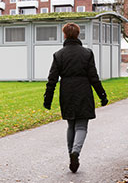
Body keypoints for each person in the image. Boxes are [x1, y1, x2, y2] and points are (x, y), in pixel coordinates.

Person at [43, 22, 109, 173]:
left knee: (71, 125)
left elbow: (52, 79)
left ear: (64, 35)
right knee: (81, 126)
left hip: (67, 91)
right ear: (78, 35)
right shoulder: (87, 53)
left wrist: (48, 99)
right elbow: (94, 77)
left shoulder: (59, 54)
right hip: (83, 90)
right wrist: (102, 95)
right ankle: (76, 152)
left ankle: (71, 154)